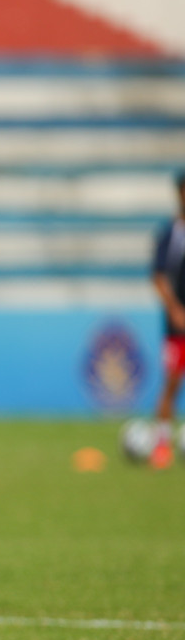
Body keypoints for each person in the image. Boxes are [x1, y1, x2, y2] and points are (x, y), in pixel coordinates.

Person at [148, 170, 185, 467]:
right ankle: (162, 445)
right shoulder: (170, 234)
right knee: (172, 381)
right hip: (177, 325)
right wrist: (174, 309)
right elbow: (158, 276)